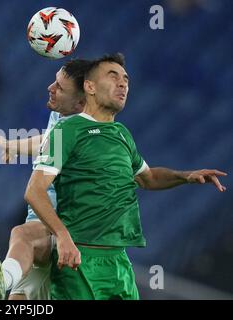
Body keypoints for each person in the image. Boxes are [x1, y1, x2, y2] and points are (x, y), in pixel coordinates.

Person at [23, 53, 227, 299]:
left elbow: (148, 178)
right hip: (80, 261)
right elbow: (34, 191)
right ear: (89, 86)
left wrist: (186, 176)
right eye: (113, 77)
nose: (123, 84)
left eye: (126, 79)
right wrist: (63, 236)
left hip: (119, 262)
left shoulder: (121, 134)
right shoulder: (66, 130)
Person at [0, 59, 91, 300]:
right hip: (45, 226)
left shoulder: (84, 133)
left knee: (22, 235)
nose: (50, 87)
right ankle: (5, 280)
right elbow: (49, 141)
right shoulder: (62, 117)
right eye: (54, 80)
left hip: (62, 229)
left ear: (80, 103)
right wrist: (14, 146)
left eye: (60, 87)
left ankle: (2, 279)